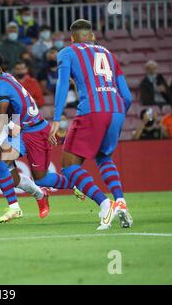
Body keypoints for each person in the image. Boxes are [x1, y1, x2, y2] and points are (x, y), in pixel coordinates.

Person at [0, 50, 83, 222]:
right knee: (0, 162)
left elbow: (2, 118)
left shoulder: (2, 85)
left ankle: (76, 184)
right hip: (20, 131)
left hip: (35, 132)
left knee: (42, 179)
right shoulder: (1, 78)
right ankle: (14, 207)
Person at [48, 19, 133, 230]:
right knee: (104, 156)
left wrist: (57, 118)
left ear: (72, 38)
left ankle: (106, 205)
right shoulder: (109, 55)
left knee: (69, 166)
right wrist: (117, 113)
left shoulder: (67, 53)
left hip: (92, 112)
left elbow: (62, 84)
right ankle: (121, 201)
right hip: (117, 110)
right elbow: (128, 96)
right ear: (92, 35)